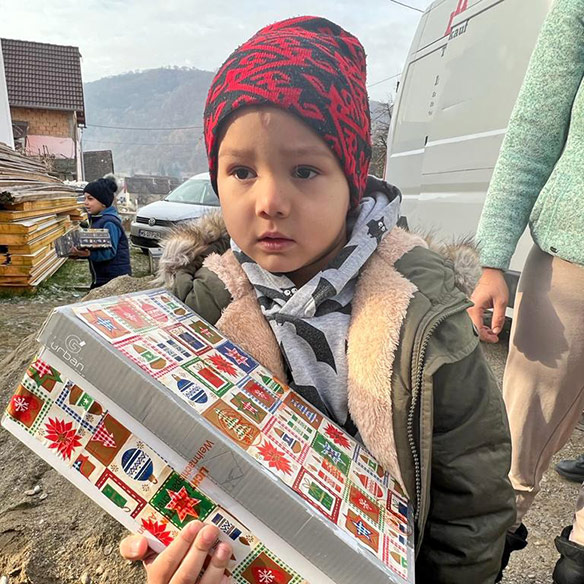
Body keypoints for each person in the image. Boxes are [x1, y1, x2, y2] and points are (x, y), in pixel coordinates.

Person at [119, 17, 514, 584]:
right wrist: (171, 547)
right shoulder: (196, 311)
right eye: (241, 172)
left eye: (305, 170)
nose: (271, 201)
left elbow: (472, 496)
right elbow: (158, 466)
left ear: (352, 179)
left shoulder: (424, 311)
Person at [468, 0, 584, 581]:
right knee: (513, 455)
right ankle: (472, 565)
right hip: (571, 268)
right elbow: (537, 124)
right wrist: (493, 259)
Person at [71, 176, 132, 288]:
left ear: (103, 202)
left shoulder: (109, 222)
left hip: (115, 280)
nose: (86, 203)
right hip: (103, 278)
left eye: (90, 199)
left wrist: (89, 254)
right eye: (85, 198)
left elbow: (109, 252)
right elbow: (97, 245)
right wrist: (80, 253)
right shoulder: (97, 219)